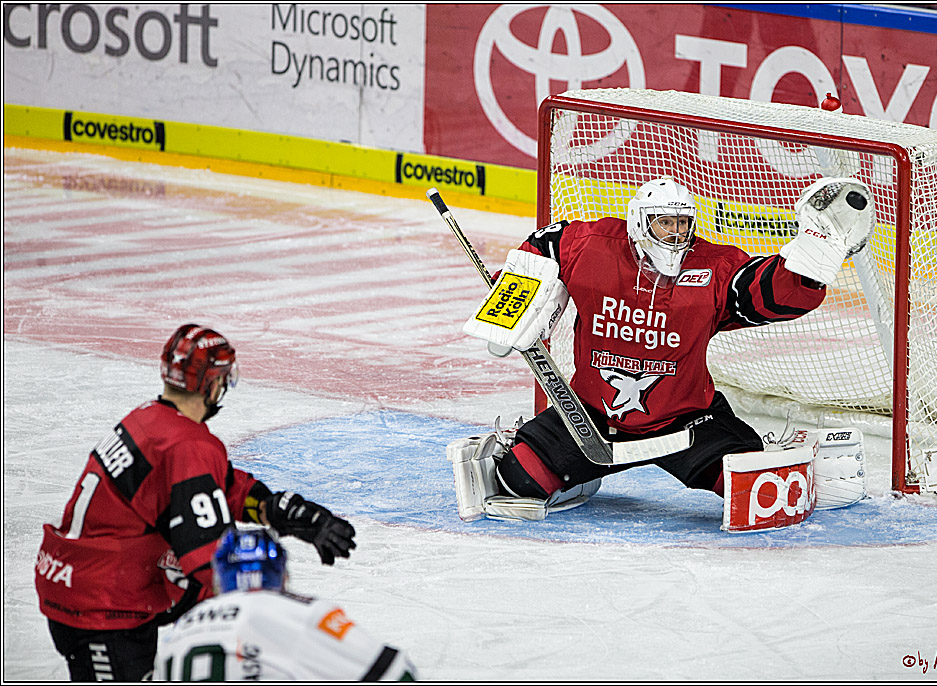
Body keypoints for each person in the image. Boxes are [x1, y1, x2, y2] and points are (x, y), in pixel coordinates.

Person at [449, 176, 875, 520]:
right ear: (639, 223)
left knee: (758, 494)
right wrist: (515, 298)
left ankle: (787, 449)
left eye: (683, 223)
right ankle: (580, 474)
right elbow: (545, 244)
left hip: (686, 422)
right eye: (664, 222)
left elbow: (763, 293)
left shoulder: (711, 266)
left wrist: (811, 262)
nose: (675, 233)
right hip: (590, 419)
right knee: (517, 481)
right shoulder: (594, 247)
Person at [35, 324, 357, 681]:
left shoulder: (150, 417)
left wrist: (274, 508)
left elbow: (214, 484)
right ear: (210, 384)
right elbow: (209, 557)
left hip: (78, 581)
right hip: (101, 606)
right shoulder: (188, 444)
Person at [154, 526, 417, 681]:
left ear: (218, 579)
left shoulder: (180, 630)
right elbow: (394, 671)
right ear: (282, 574)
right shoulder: (299, 613)